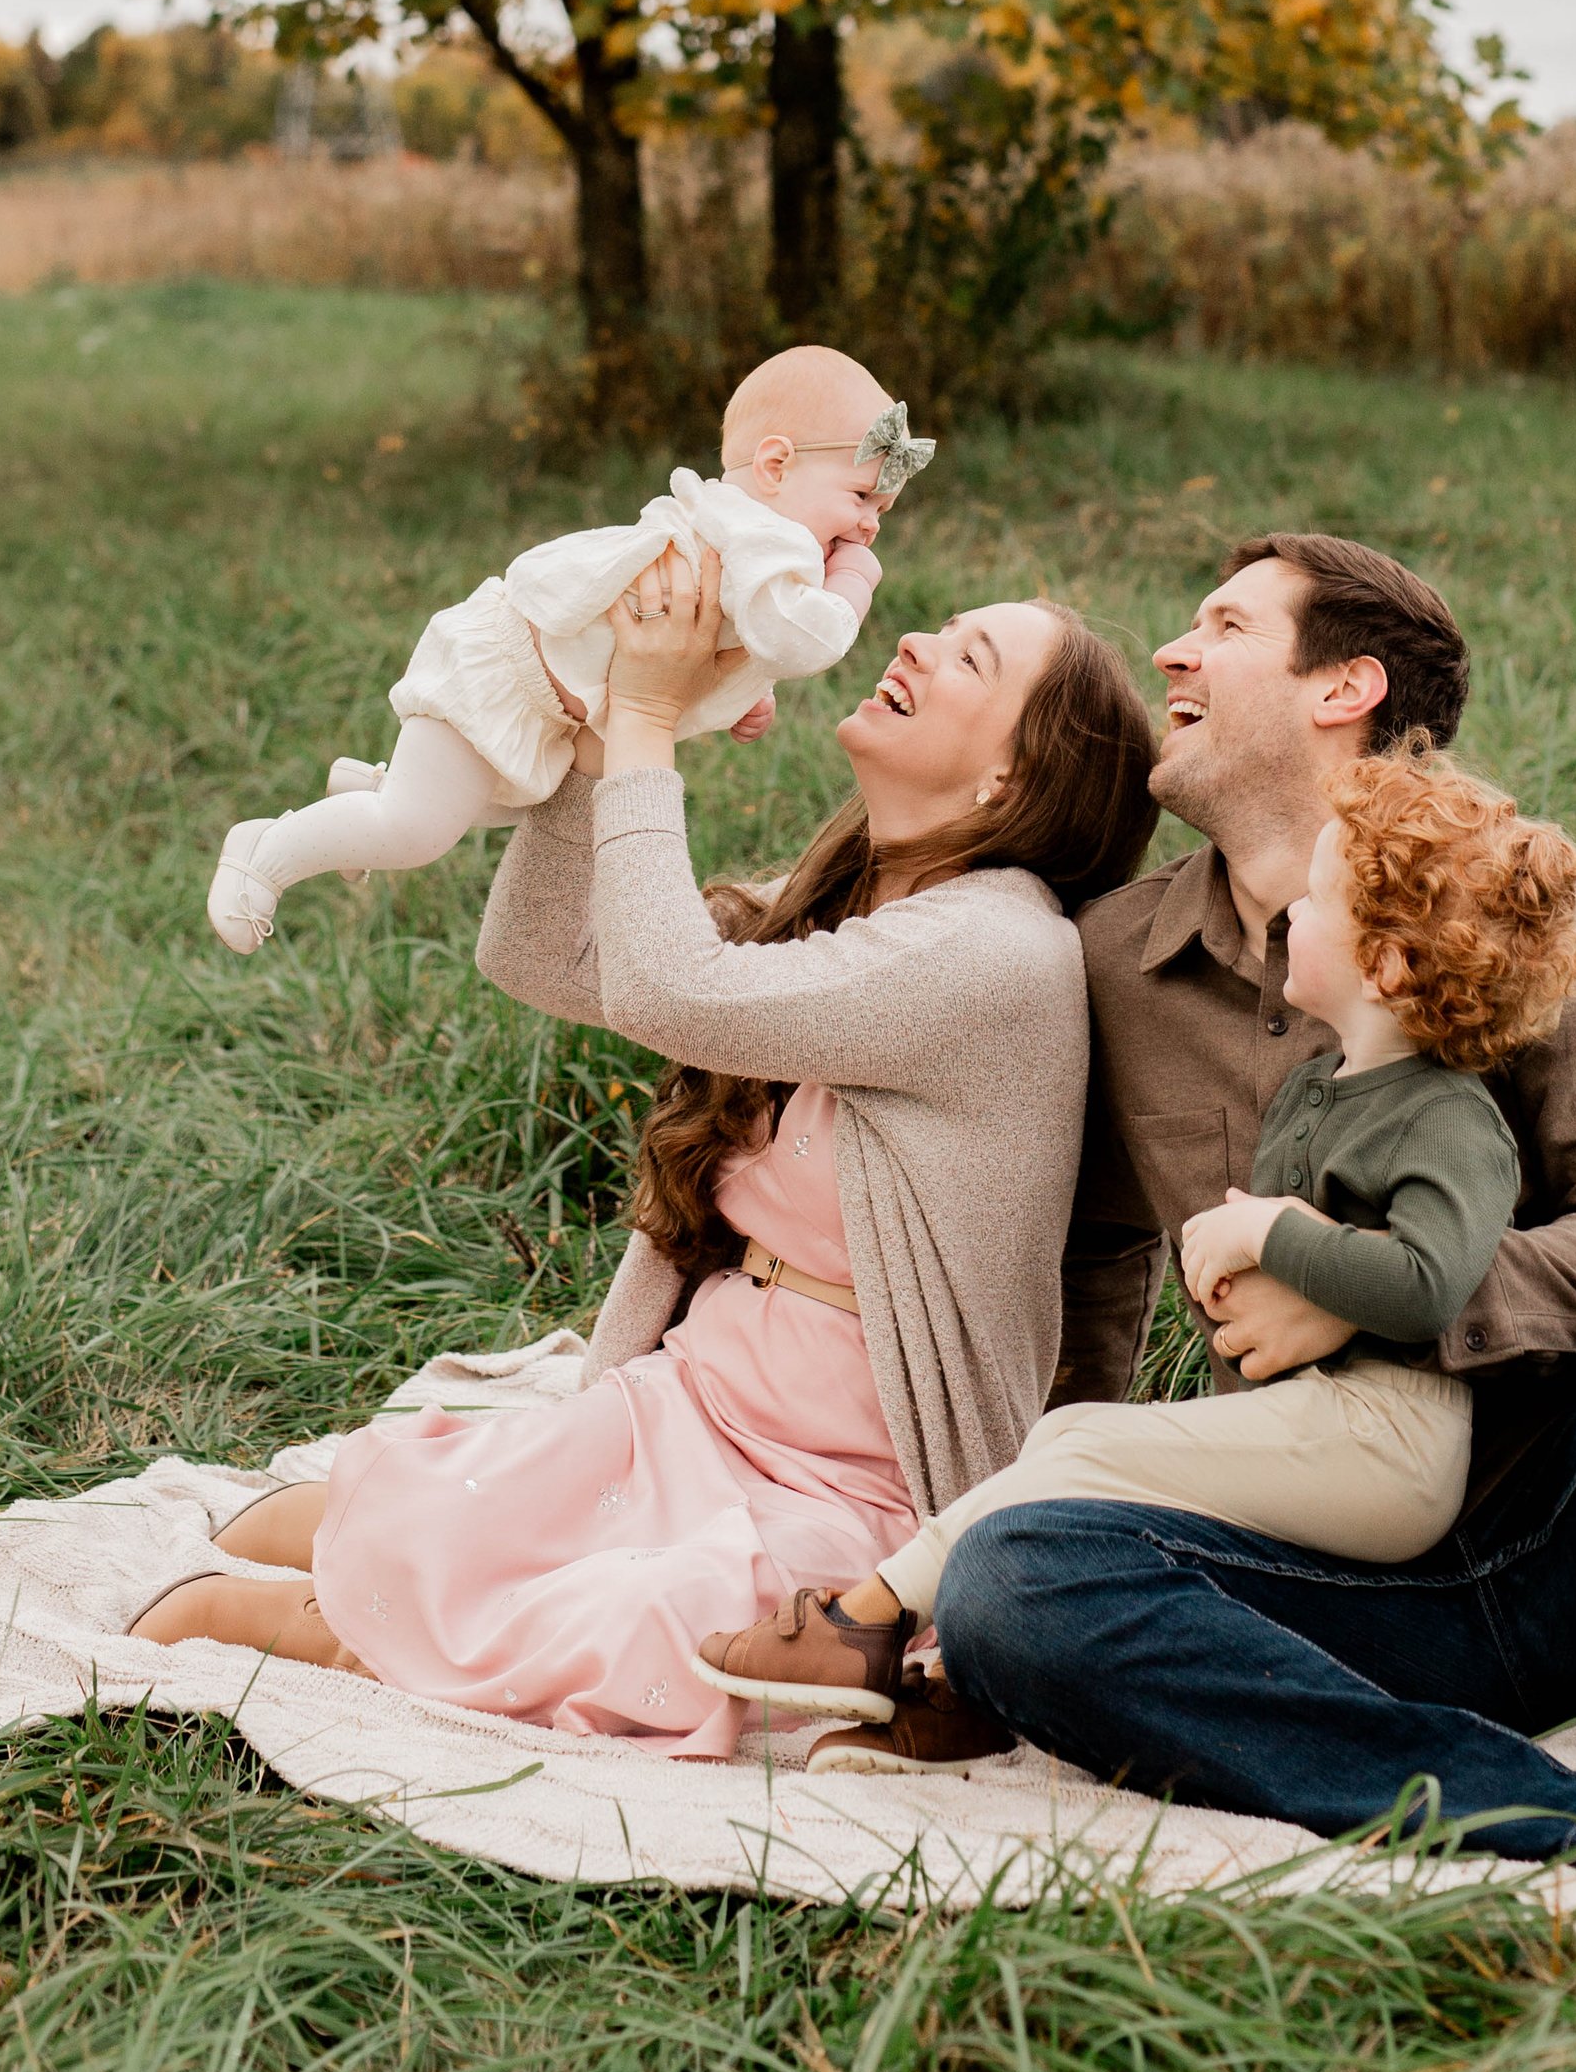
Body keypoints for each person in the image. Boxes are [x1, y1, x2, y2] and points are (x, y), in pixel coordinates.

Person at [915, 533, 1576, 1996]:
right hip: (1336, 1571)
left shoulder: (1527, 907)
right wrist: (971, 1532)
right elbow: (1090, 1278)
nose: (1171, 657)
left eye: (1220, 626)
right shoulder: (1111, 961)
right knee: (1016, 1584)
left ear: (1347, 684)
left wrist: (1363, 1276)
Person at [134, 546, 1159, 1753]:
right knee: (405, 1510)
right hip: (690, 1402)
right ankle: (377, 1583)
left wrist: (649, 721)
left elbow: (670, 987)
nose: (915, 644)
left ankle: (335, 1634)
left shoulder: (994, 954)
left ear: (1010, 776)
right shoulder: (852, 904)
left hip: (849, 1485)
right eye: (938, 627)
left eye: (969, 657)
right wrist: (582, 731)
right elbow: (543, 957)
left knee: (653, 1624)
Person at [693, 747, 1576, 1731]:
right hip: (1318, 1422)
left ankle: (863, 1619)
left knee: (1091, 1451)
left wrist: (1271, 1232)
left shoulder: (1450, 1119)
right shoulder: (1319, 1083)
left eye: (1321, 900)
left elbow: (1427, 1284)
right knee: (1075, 1436)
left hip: (1391, 1446)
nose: (1291, 914)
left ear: (1386, 964)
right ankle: (956, 1651)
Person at [208, 342, 925, 952]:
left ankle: (369, 791)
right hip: (510, 676)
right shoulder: (778, 542)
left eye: (880, 513)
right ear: (776, 465)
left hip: (541, 697)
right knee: (416, 831)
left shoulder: (741, 528)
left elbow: (727, 626)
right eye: (862, 498)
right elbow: (803, 637)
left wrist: (747, 689)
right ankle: (262, 853)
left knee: (481, 808)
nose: (868, 528)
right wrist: (852, 586)